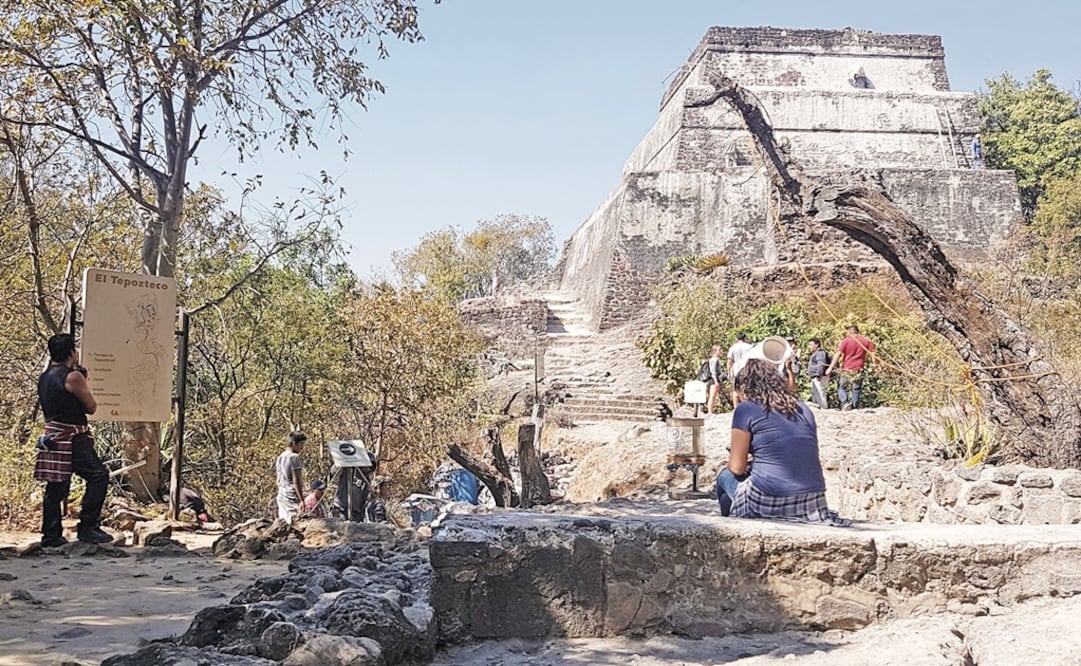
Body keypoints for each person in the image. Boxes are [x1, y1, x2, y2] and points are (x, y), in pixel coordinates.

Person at [714, 358, 849, 526]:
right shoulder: (802, 408)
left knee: (724, 476)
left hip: (770, 498)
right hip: (813, 502)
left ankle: (732, 530)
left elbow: (736, 467)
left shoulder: (746, 409)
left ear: (743, 389)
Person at [36, 333, 112, 546]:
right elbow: (91, 406)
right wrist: (83, 380)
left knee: (56, 485)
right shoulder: (73, 377)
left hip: (51, 434)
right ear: (71, 352)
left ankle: (51, 535)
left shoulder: (45, 376)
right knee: (98, 476)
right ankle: (88, 527)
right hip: (72, 435)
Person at [825, 326, 876, 411]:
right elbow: (873, 353)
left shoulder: (846, 341)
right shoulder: (865, 341)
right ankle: (855, 406)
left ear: (849, 332)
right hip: (859, 368)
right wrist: (874, 365)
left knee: (842, 387)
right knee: (856, 388)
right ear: (857, 331)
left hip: (847, 368)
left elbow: (838, 354)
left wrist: (830, 367)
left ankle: (845, 403)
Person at [275, 431, 307, 522]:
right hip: (290, 496)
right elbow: (296, 481)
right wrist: (301, 499)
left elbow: (278, 480)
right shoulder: (294, 457)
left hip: (282, 495)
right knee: (296, 523)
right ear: (294, 444)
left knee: (284, 523)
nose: (302, 447)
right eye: (301, 444)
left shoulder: (280, 457)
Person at [726, 332, 753, 406]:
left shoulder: (733, 348)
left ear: (737, 338)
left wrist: (729, 372)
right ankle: (746, 405)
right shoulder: (749, 347)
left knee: (735, 389)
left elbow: (729, 361)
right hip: (747, 368)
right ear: (745, 338)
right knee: (746, 388)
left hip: (736, 368)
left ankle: (736, 407)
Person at [806, 338, 830, 409]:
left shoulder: (820, 353)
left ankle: (823, 407)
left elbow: (821, 364)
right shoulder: (816, 353)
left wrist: (819, 374)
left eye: (811, 344)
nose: (809, 346)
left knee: (820, 392)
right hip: (816, 376)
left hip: (819, 376)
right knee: (816, 392)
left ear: (817, 345)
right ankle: (818, 407)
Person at [706, 345, 725, 414]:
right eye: (719, 350)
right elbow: (713, 371)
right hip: (714, 379)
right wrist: (716, 381)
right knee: (712, 395)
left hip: (714, 379)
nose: (721, 351)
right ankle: (710, 411)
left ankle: (711, 410)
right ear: (715, 351)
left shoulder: (714, 359)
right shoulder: (715, 359)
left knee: (713, 395)